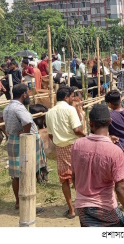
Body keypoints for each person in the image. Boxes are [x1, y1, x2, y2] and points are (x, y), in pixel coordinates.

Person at [71, 104, 124, 227]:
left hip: (82, 206)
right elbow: (120, 187)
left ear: (90, 123)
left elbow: (74, 177)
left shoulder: (77, 145)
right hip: (106, 207)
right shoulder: (115, 151)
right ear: (110, 122)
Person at [3, 84, 47, 211]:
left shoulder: (8, 107)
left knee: (16, 175)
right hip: (24, 142)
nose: (28, 95)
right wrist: (25, 132)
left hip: (12, 140)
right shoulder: (19, 109)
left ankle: (18, 202)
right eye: (27, 93)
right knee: (27, 172)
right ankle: (28, 204)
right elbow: (27, 122)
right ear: (24, 94)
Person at [46, 86, 86, 219]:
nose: (72, 99)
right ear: (66, 97)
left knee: (64, 180)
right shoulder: (70, 109)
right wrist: (85, 136)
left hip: (60, 148)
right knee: (80, 176)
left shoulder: (49, 113)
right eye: (71, 96)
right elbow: (76, 129)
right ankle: (82, 206)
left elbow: (50, 135)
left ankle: (71, 210)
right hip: (74, 145)